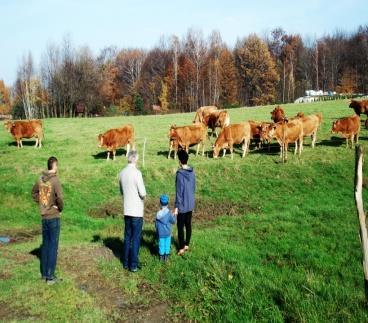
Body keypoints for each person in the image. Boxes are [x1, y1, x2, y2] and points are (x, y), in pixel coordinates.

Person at [32, 156, 64, 285]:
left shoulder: (40, 178)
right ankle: (50, 277)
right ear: (55, 165)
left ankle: (44, 274)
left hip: (44, 217)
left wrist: (42, 203)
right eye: (57, 165)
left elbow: (34, 193)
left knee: (45, 245)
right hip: (53, 216)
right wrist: (59, 208)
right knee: (53, 246)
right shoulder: (55, 180)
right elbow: (60, 198)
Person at [119, 150, 146, 272]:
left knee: (127, 236)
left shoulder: (122, 173)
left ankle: (125, 262)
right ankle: (133, 264)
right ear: (134, 159)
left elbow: (121, 191)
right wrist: (143, 197)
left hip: (127, 209)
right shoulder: (137, 173)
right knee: (135, 238)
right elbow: (143, 193)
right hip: (136, 211)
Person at [174, 150, 196, 256]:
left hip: (182, 205)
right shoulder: (192, 171)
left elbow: (179, 192)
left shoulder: (179, 174)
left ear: (179, 161)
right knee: (188, 224)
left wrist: (176, 206)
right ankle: (187, 244)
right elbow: (193, 187)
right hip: (190, 203)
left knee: (180, 226)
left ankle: (181, 248)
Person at [155, 195, 176, 262]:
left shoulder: (158, 214)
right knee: (167, 244)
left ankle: (161, 257)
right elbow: (173, 221)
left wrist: (157, 230)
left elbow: (156, 224)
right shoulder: (169, 213)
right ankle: (166, 257)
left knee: (161, 244)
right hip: (167, 232)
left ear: (160, 203)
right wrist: (175, 215)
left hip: (160, 233)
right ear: (167, 203)